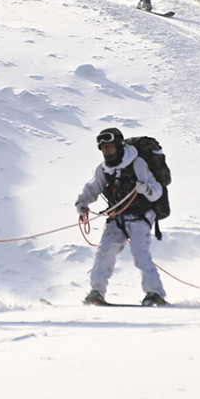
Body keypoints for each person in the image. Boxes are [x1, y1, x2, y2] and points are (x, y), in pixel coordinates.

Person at [75, 127, 168, 306]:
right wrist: (82, 203)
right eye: (102, 148)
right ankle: (96, 293)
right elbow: (93, 188)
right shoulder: (103, 169)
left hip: (140, 216)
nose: (105, 150)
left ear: (118, 144)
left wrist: (145, 188)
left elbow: (156, 191)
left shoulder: (137, 163)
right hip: (116, 218)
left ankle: (155, 293)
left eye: (108, 146)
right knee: (104, 252)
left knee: (140, 254)